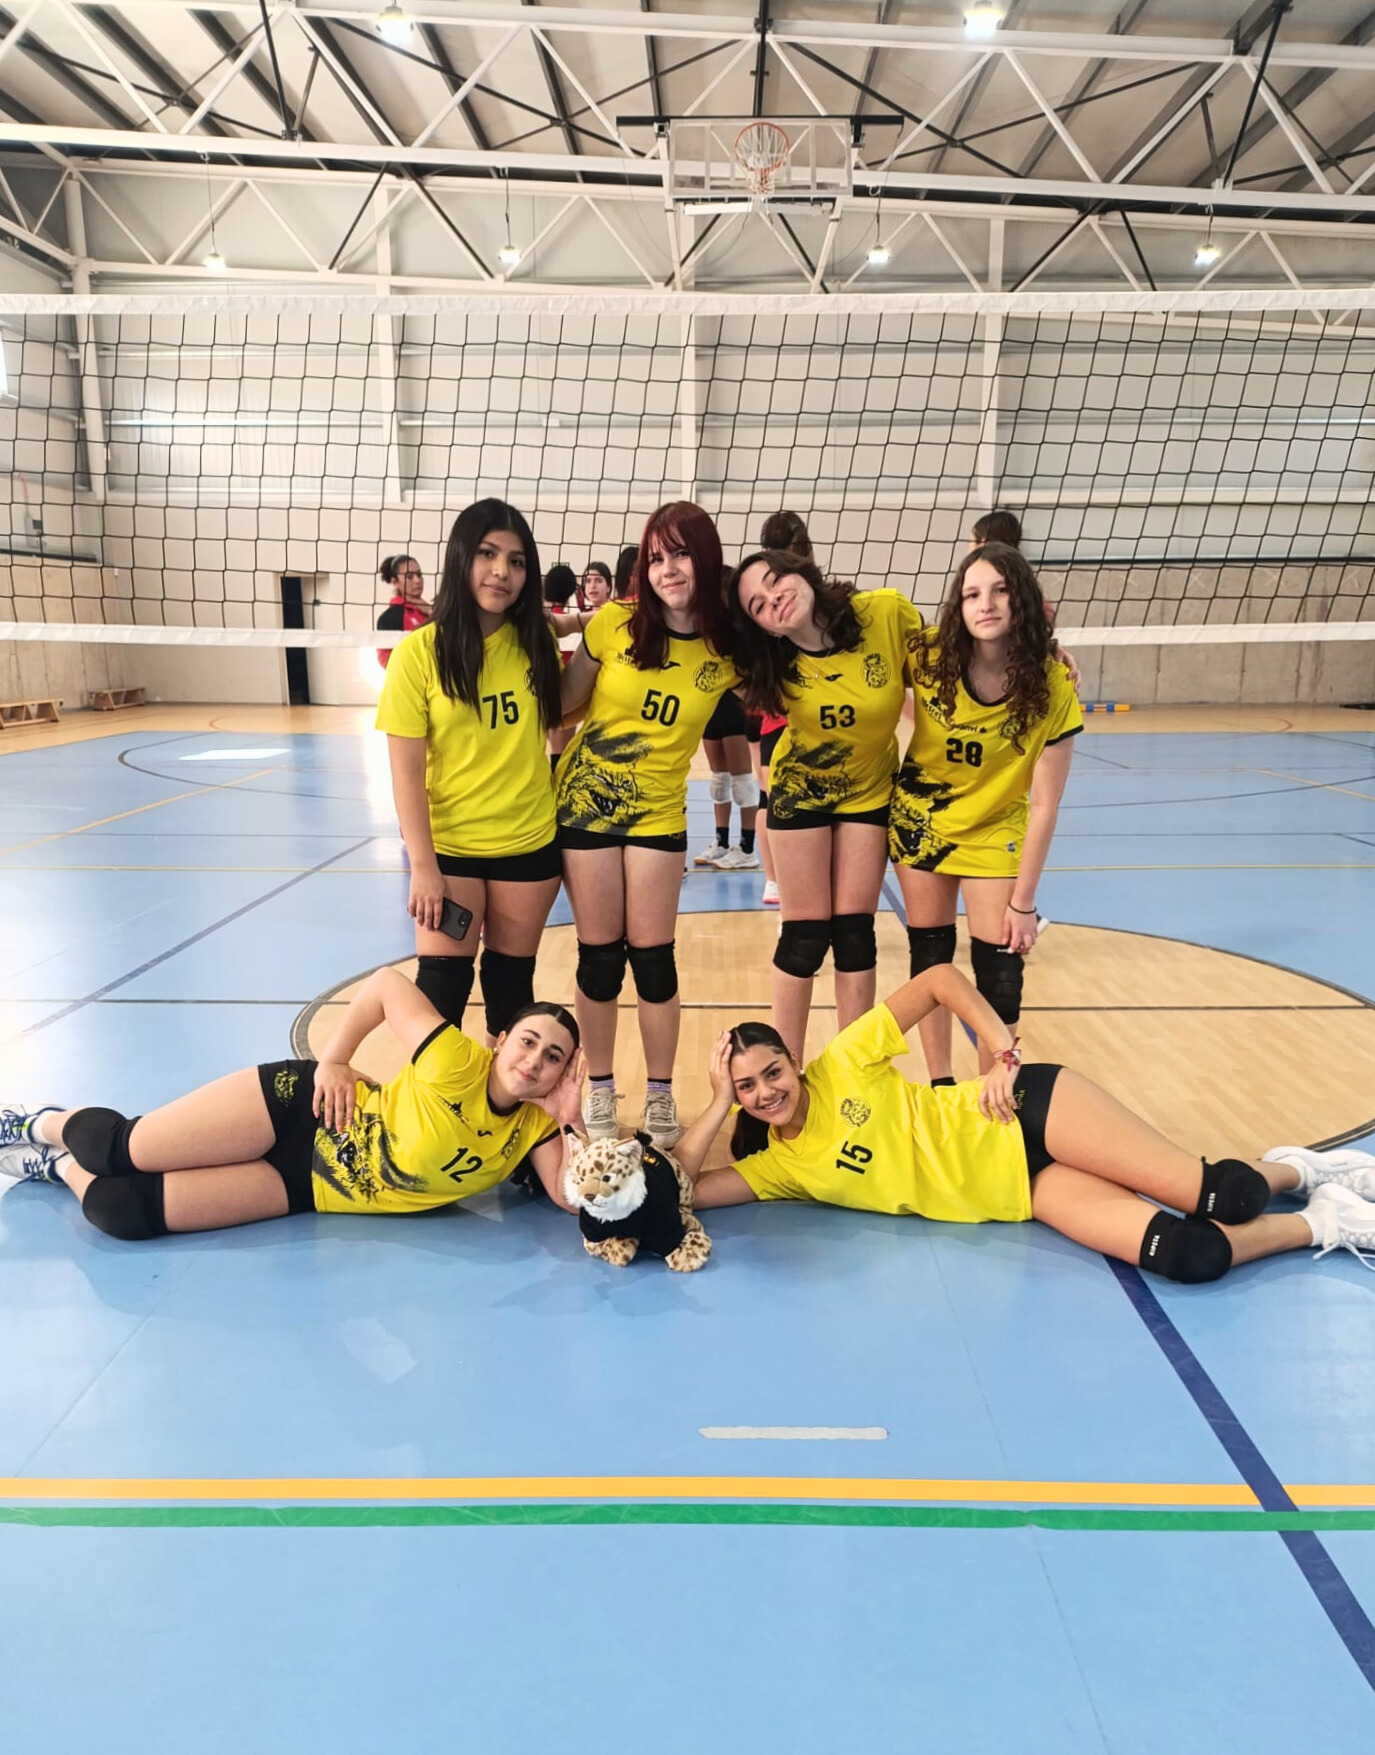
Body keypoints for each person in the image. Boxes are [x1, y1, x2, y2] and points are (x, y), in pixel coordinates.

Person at [674, 966, 1375, 1277]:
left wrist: (1000, 1051)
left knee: (1225, 1195)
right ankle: (1324, 1222)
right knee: (1191, 1257)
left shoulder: (843, 1062)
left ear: (794, 1061)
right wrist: (715, 1101)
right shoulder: (778, 1168)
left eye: (772, 1072)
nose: (766, 1092)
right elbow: (687, 1189)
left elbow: (939, 980)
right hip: (1026, 1192)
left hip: (1023, 1115)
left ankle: (1300, 1169)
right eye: (747, 1087)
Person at [0, 975, 585, 1236]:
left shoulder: (537, 1127)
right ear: (500, 1041)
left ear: (562, 1072)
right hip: (301, 1108)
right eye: (528, 1041)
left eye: (553, 1056)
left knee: (120, 1211)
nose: (534, 1061)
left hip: (307, 1186)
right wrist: (334, 1060)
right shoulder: (455, 1059)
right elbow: (387, 985)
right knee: (119, 1149)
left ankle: (55, 1165)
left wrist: (573, 1121)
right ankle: (37, 1121)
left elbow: (569, 1199)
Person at [556, 500, 739, 1147]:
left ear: (705, 559)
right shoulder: (615, 624)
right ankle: (600, 1088)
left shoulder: (729, 647)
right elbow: (563, 703)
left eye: (681, 554)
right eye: (656, 558)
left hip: (658, 813)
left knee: (654, 960)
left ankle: (661, 1094)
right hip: (585, 806)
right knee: (600, 959)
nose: (667, 569)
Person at [889, 542, 1079, 1085]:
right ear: (959, 605)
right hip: (922, 822)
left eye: (998, 591)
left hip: (995, 830)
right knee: (932, 960)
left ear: (1022, 599)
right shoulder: (928, 656)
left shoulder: (1052, 685)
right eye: (972, 594)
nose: (985, 604)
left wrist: (1025, 903)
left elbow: (1046, 804)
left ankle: (991, 1098)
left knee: (1001, 973)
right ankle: (941, 1086)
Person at [378, 499, 564, 1043]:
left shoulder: (536, 642)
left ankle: (502, 1097)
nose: (501, 571)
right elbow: (405, 775)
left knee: (511, 994)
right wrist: (423, 866)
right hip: (451, 850)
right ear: (461, 557)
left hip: (528, 844)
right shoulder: (418, 654)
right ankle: (439, 1096)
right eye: (487, 554)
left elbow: (564, 708)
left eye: (517, 561)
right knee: (440, 994)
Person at [728, 548, 923, 1060]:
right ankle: (785, 1069)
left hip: (869, 790)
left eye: (775, 581)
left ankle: (853, 1068)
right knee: (805, 936)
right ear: (762, 627)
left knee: (855, 934)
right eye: (758, 605)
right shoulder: (772, 663)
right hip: (801, 792)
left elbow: (956, 659)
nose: (773, 599)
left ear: (801, 571)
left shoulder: (885, 612)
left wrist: (1044, 651)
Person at [751, 512, 813, 906]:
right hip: (784, 715)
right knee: (779, 802)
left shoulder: (772, 596)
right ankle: (781, 886)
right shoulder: (793, 594)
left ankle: (778, 884)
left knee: (772, 800)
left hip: (784, 714)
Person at [692, 689, 761, 873]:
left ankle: (747, 849)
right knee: (719, 779)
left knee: (742, 782)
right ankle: (721, 842)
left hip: (737, 704)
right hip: (711, 701)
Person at [376, 554, 431, 668]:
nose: (417, 580)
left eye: (419, 575)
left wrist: (431, 611)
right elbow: (386, 661)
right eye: (409, 576)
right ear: (395, 582)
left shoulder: (431, 612)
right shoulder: (390, 617)